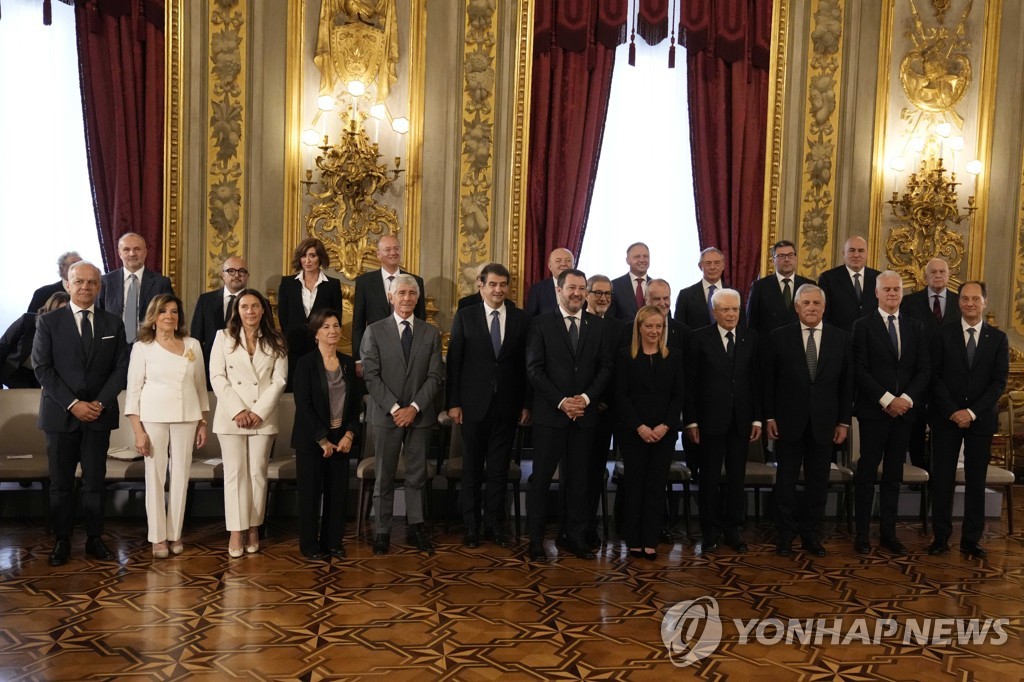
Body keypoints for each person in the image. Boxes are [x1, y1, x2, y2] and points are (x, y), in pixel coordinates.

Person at [33, 261, 129, 566]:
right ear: (67, 284)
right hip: (61, 416)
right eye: (79, 282)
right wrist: (74, 404)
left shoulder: (113, 323)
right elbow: (42, 369)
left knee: (94, 482)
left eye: (92, 282)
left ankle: (94, 538)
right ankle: (62, 540)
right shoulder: (48, 322)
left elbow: (121, 369)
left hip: (99, 415)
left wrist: (98, 404)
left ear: (99, 287)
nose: (86, 287)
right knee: (61, 484)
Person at [525, 268, 614, 561]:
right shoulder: (540, 324)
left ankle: (572, 537)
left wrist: (585, 399)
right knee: (540, 480)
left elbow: (605, 369)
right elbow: (534, 370)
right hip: (551, 416)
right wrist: (563, 401)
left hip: (585, 416)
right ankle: (536, 540)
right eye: (571, 288)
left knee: (578, 480)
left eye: (581, 289)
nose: (576, 293)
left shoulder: (599, 327)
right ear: (559, 290)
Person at [446, 263, 531, 548]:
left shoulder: (521, 318)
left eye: (503, 285)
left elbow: (525, 367)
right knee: (471, 469)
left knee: (497, 470)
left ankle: (493, 524)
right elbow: (455, 361)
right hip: (472, 406)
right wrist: (454, 403)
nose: (498, 290)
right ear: (481, 285)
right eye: (493, 284)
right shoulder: (466, 316)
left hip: (507, 406)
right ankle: (471, 526)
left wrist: (525, 403)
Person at [764, 284, 853, 557]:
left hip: (825, 424)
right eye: (806, 303)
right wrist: (769, 416)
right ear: (797, 307)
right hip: (788, 422)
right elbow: (768, 381)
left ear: (824, 307)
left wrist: (844, 422)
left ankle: (811, 534)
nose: (811, 307)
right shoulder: (779, 337)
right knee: (786, 482)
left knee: (818, 483)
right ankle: (785, 535)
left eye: (816, 303)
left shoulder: (841, 338)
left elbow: (847, 384)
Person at [361, 274, 443, 555]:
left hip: (419, 416)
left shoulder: (430, 333)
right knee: (384, 475)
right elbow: (371, 377)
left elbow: (435, 376)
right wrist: (397, 409)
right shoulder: (374, 330)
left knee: (416, 476)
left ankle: (415, 527)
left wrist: (414, 408)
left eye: (411, 293)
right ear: (391, 297)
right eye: (401, 293)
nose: (406, 298)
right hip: (387, 416)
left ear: (417, 298)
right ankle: (382, 530)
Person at [851, 270, 930, 555]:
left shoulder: (915, 326)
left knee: (893, 476)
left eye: (897, 290)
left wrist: (905, 399)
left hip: (905, 414)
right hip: (874, 412)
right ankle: (862, 535)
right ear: (876, 293)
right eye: (887, 290)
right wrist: (887, 400)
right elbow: (859, 370)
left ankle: (888, 533)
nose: (893, 294)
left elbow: (924, 369)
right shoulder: (863, 326)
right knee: (866, 474)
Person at [125, 294, 210, 558]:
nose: (169, 316)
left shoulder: (192, 344)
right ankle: (158, 537)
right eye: (163, 311)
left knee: (181, 477)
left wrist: (203, 421)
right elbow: (133, 392)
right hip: (153, 417)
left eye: (174, 311)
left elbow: (200, 385)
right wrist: (138, 431)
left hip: (187, 416)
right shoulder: (142, 347)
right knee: (155, 476)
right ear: (153, 317)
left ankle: (175, 533)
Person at [927, 282, 1008, 559]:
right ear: (958, 302)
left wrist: (971, 413)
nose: (970, 303)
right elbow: (934, 377)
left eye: (975, 298)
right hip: (945, 418)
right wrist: (953, 411)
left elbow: (998, 383)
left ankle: (971, 540)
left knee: (976, 481)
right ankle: (940, 538)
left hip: (981, 420)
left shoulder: (998, 339)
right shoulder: (942, 334)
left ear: (985, 302)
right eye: (964, 298)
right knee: (942, 481)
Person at [209, 288, 288, 558]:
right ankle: (235, 531)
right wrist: (238, 410)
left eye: (255, 306)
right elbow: (217, 377)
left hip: (262, 418)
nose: (250, 311)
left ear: (263, 310)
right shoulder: (223, 337)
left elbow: (280, 380)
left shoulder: (276, 339)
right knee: (235, 475)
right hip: (232, 417)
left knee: (256, 473)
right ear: (237, 310)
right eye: (245, 307)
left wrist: (258, 411)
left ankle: (253, 527)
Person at [684, 288, 761, 555]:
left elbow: (756, 382)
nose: (731, 314)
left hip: (741, 420)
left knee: (736, 479)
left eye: (735, 309)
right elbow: (690, 384)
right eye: (726, 310)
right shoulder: (698, 339)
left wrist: (758, 420)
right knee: (709, 479)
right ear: (714, 312)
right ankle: (710, 532)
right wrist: (691, 421)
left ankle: (733, 530)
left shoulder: (752, 338)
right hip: (708, 422)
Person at [291, 308, 364, 560]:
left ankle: (333, 542)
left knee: (338, 494)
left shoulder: (347, 362)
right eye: (326, 327)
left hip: (341, 439)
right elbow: (304, 405)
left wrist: (349, 435)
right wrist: (322, 438)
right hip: (312, 441)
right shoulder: (305, 364)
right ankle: (310, 544)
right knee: (311, 494)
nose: (332, 331)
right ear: (315, 333)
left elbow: (356, 405)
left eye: (335, 326)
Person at [615, 305, 685, 560]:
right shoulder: (625, 356)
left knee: (656, 487)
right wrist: (640, 427)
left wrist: (666, 425)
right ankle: (634, 539)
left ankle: (650, 540)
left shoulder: (673, 356)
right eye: (649, 326)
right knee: (635, 487)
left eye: (659, 326)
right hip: (634, 433)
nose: (654, 331)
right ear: (639, 328)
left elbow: (679, 395)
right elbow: (620, 395)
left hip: (664, 434)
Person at [900, 257, 960, 471]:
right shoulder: (909, 302)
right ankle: (917, 473)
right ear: (925, 276)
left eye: (942, 271)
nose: (937, 275)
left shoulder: (960, 302)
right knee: (915, 430)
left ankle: (940, 476)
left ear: (949, 275)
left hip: (948, 380)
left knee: (944, 431)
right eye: (933, 272)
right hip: (917, 378)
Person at [351, 235, 426, 377]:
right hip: (375, 350)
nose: (393, 253)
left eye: (396, 248)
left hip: (407, 348)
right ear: (378, 254)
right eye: (388, 249)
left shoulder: (415, 281)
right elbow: (358, 323)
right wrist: (358, 359)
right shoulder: (365, 282)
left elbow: (421, 318)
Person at [277, 237, 344, 388]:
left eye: (312, 255)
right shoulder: (287, 283)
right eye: (303, 256)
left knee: (320, 388)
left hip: (322, 347)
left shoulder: (332, 285)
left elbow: (336, 316)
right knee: (296, 389)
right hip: (294, 346)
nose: (307, 260)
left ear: (320, 258)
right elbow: (283, 316)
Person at [98, 232, 175, 343]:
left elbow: (169, 315)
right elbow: (98, 316)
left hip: (149, 343)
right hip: (113, 346)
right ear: (119, 253)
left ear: (145, 252)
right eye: (126, 250)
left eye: (137, 249)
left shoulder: (161, 283)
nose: (132, 254)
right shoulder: (105, 281)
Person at [191, 255, 251, 389]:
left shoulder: (258, 302)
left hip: (245, 370)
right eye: (231, 271)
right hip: (210, 369)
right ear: (222, 275)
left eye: (241, 271)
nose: (236, 275)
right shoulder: (205, 300)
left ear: (247, 276)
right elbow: (196, 338)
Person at [746, 240, 815, 338]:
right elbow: (751, 322)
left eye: (790, 255)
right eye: (781, 256)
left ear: (796, 258)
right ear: (773, 260)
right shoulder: (760, 286)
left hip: (799, 344)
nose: (787, 259)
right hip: (769, 347)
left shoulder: (809, 285)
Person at [2, 292, 69, 388]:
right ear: (49, 309)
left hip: (41, 377)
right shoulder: (27, 320)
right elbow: (3, 345)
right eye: (57, 311)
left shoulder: (69, 332)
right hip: (15, 371)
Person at [817, 236, 879, 331]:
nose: (856, 255)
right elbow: (823, 314)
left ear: (867, 254)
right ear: (843, 253)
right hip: (839, 339)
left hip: (871, 339)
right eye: (852, 250)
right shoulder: (828, 278)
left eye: (861, 251)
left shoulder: (879, 278)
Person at [675, 247, 741, 329]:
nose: (712, 267)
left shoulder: (735, 294)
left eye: (717, 263)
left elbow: (742, 328)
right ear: (700, 266)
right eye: (708, 263)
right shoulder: (685, 295)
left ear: (723, 266)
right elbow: (679, 328)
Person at [525, 247, 574, 316]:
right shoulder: (538, 289)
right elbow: (530, 318)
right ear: (550, 266)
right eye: (558, 261)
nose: (563, 264)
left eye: (568, 260)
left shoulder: (582, 288)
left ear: (573, 265)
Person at [610, 242, 652, 322]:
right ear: (627, 260)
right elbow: (610, 320)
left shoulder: (657, 286)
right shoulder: (614, 286)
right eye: (637, 257)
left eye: (646, 256)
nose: (642, 260)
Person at [647, 279, 690, 351]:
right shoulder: (633, 329)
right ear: (646, 300)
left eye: (666, 298)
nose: (662, 303)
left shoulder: (683, 332)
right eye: (657, 299)